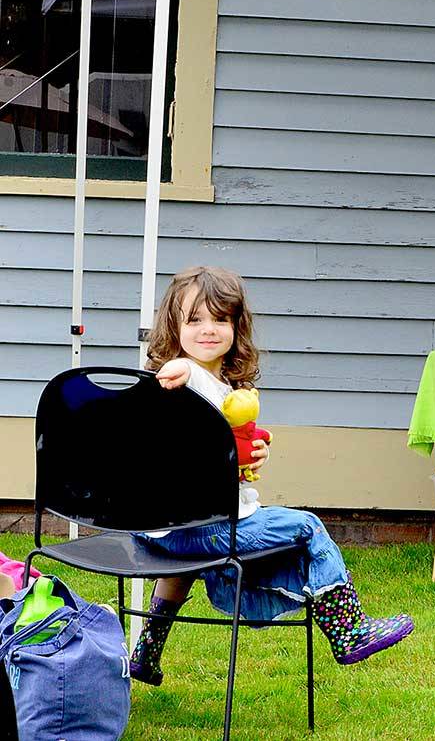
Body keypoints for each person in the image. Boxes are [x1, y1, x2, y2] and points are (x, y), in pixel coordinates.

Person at [128, 266, 413, 686]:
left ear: (236, 326)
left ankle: (146, 653)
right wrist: (180, 371)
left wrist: (250, 452)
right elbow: (184, 381)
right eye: (195, 320)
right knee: (310, 528)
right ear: (174, 325)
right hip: (208, 528)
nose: (208, 329)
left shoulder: (223, 387)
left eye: (220, 319)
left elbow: (212, 443)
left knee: (181, 566)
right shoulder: (184, 376)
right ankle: (350, 632)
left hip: (163, 531)